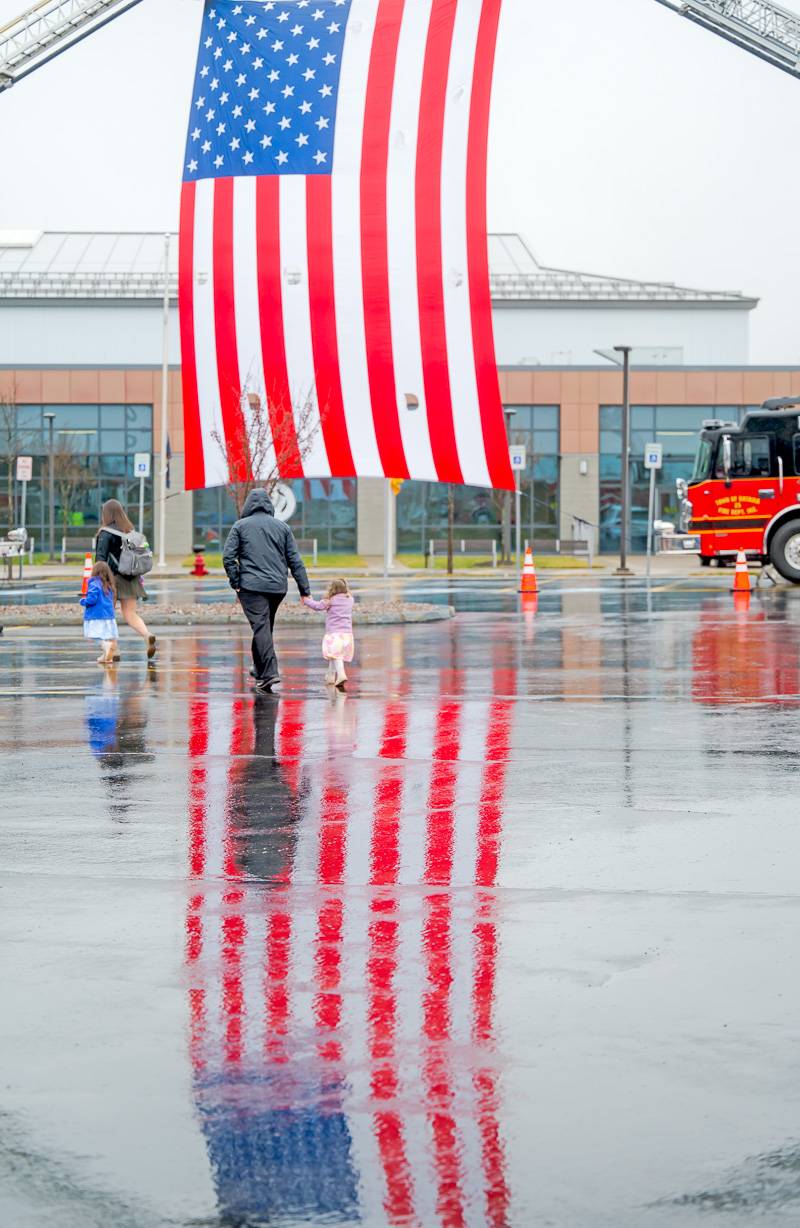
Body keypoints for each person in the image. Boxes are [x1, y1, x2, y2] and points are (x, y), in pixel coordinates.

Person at [223, 488, 311, 692]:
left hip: (251, 587)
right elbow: (295, 561)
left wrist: (235, 582)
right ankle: (259, 668)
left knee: (261, 627)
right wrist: (304, 590)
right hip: (277, 588)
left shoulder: (240, 526)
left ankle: (269, 673)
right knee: (263, 627)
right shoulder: (283, 527)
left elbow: (228, 557)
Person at [95, 498, 156, 661]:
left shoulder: (105, 533)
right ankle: (147, 635)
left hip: (111, 580)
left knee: (108, 614)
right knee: (130, 613)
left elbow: (100, 560)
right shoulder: (129, 531)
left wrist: (98, 581)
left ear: (106, 514)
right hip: (131, 578)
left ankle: (112, 649)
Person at [302, 578, 355, 690]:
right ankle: (330, 677)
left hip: (334, 634)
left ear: (332, 589)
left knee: (336, 655)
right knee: (334, 655)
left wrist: (306, 600)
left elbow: (317, 606)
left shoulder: (330, 600)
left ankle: (341, 675)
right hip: (347, 635)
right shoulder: (350, 599)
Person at [81, 561, 119, 666]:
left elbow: (92, 599)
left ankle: (106, 646)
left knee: (94, 635)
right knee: (106, 635)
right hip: (108, 616)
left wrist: (83, 601)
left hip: (96, 615)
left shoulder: (94, 583)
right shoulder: (109, 585)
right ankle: (106, 655)